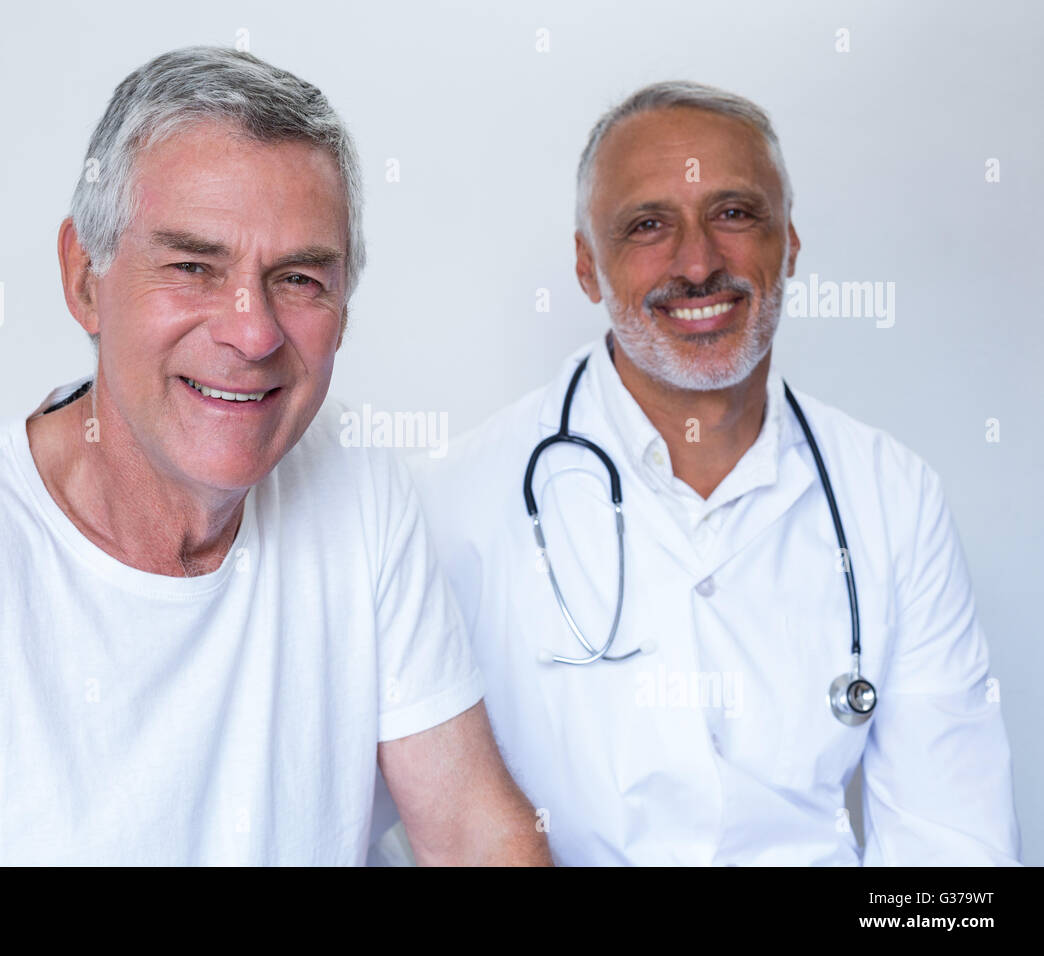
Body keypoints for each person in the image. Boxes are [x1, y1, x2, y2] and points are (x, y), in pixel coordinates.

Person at [0, 47, 550, 866]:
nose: (252, 331)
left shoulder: (357, 482)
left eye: (300, 278)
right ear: (84, 280)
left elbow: (475, 834)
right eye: (194, 267)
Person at [404, 81, 1020, 865]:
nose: (697, 263)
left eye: (734, 214)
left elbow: (954, 849)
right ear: (588, 268)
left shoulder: (892, 496)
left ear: (788, 243)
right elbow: (413, 824)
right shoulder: (453, 501)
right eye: (648, 226)